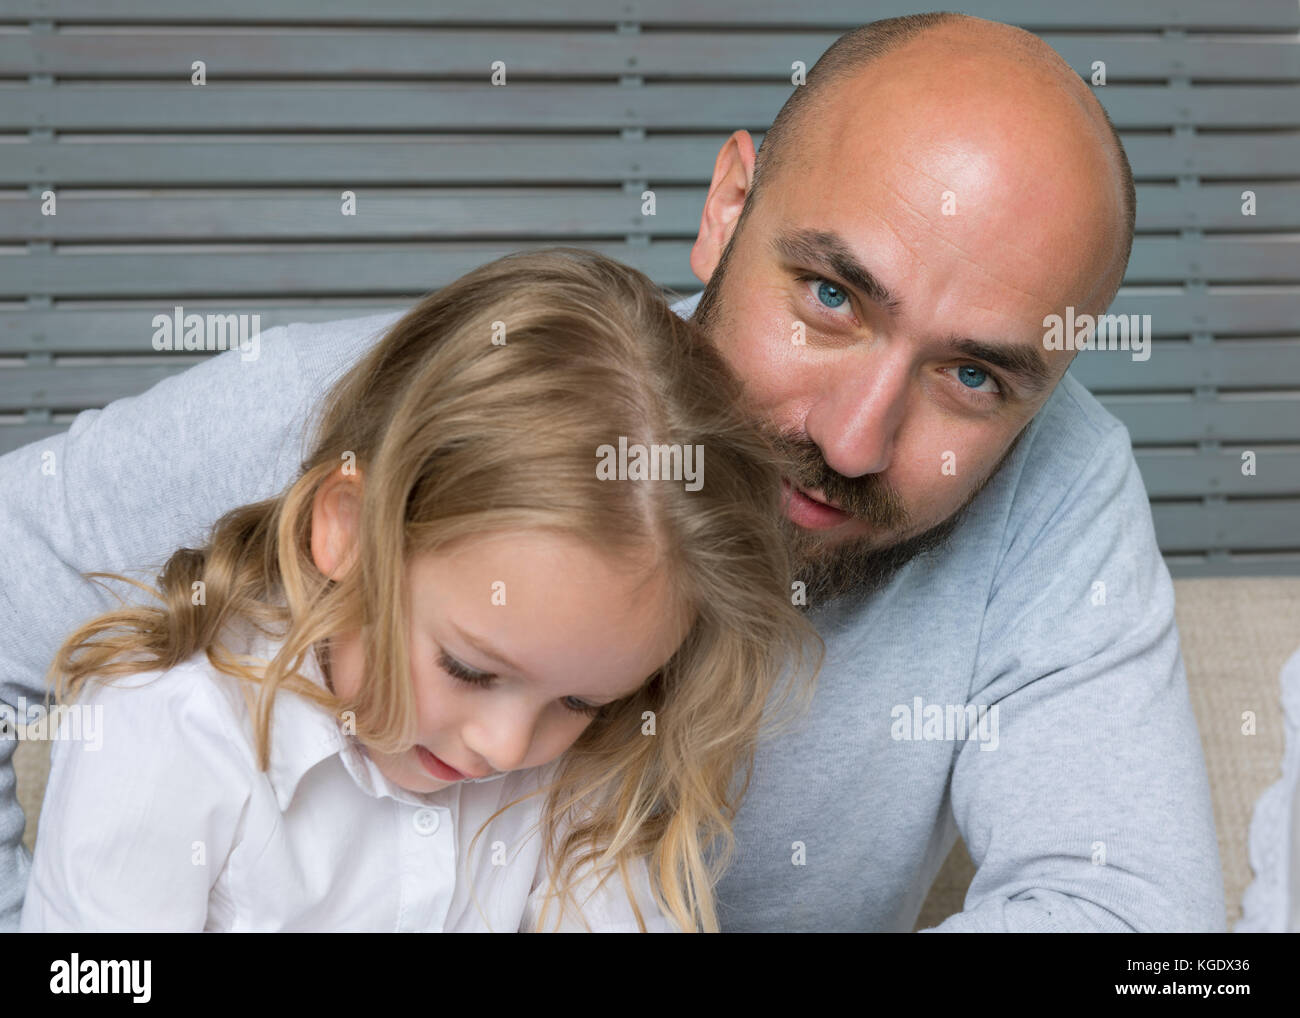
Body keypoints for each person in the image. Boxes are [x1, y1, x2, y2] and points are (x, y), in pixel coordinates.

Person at [0, 12, 1225, 931]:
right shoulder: (370, 412)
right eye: (831, 296)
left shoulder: (1056, 490)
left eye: (973, 377)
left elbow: (1139, 935)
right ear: (726, 204)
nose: (853, 441)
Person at [15, 248, 819, 932]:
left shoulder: (588, 777)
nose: (506, 747)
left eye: (581, 701)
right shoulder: (168, 736)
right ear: (349, 530)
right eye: (469, 668)